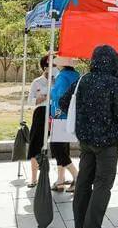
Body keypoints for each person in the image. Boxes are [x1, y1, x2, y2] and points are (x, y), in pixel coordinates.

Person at [59, 45, 118, 228]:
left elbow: (64, 103)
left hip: (85, 142)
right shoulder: (112, 84)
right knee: (102, 185)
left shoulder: (82, 80)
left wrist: (85, 117)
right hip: (107, 144)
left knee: (83, 181)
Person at [49, 55, 80, 193]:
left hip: (60, 115)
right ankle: (60, 179)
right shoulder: (76, 75)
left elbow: (59, 95)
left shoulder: (62, 77)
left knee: (56, 148)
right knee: (63, 147)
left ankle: (76, 175)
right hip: (71, 116)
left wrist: (51, 91)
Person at [26, 55, 51, 188]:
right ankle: (34, 178)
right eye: (50, 65)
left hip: (54, 114)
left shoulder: (58, 81)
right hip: (40, 114)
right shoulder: (37, 82)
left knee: (59, 145)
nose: (53, 68)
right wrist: (38, 99)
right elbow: (29, 101)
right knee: (35, 144)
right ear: (44, 67)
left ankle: (61, 178)